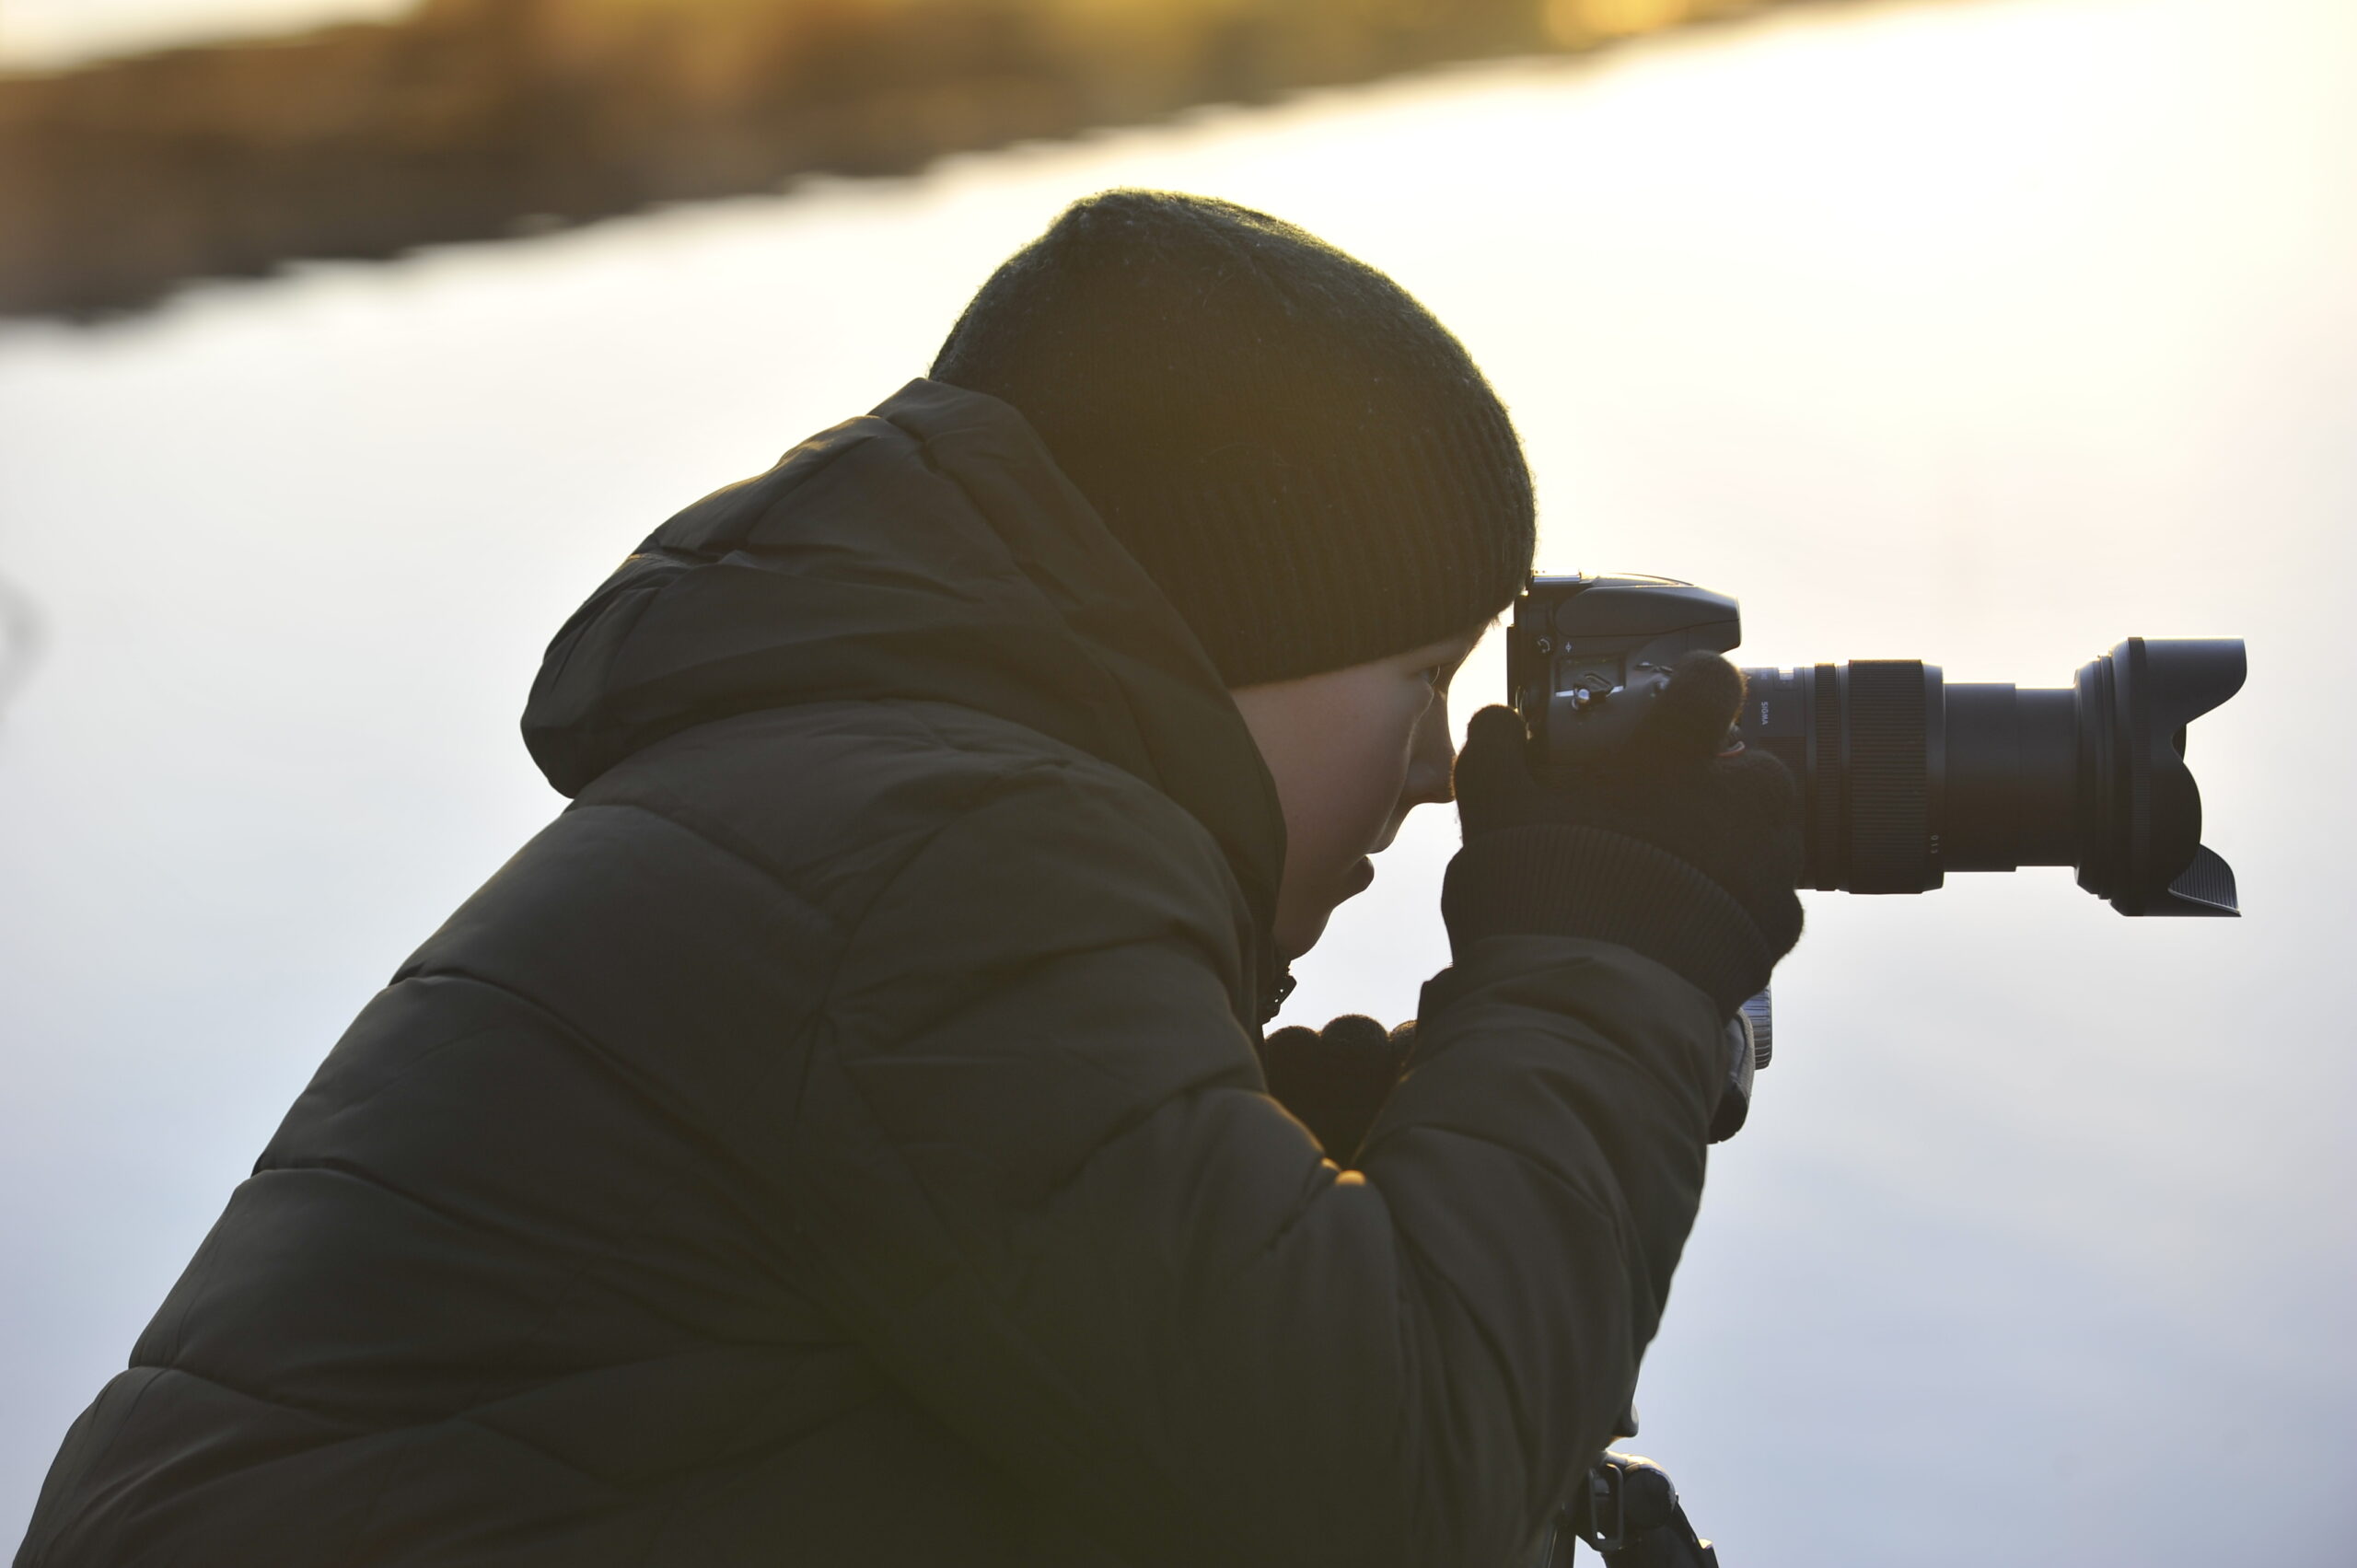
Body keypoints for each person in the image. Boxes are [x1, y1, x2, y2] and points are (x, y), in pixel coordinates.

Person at [16, 191, 1802, 1567]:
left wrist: (1374, 1141)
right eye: (1416, 680)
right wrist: (1608, 961)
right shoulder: (952, 853)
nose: (1433, 770)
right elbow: (1388, 1481)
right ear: (1227, 631)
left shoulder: (867, 817)